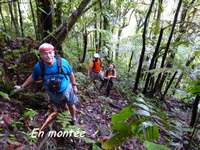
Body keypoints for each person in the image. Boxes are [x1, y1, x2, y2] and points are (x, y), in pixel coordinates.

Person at [14, 43, 79, 133]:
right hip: (52, 92)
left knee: (71, 104)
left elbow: (70, 73)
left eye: (50, 53)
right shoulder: (39, 66)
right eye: (45, 54)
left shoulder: (63, 62)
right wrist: (22, 86)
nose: (48, 56)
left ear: (53, 53)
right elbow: (33, 77)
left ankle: (73, 118)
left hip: (67, 89)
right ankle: (63, 116)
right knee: (60, 105)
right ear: (40, 55)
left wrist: (74, 85)